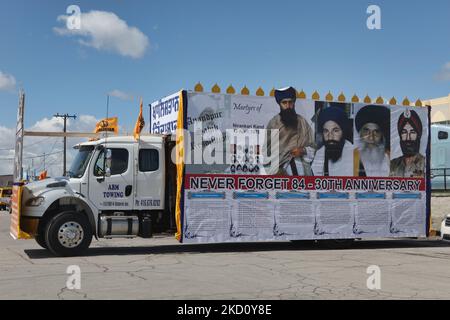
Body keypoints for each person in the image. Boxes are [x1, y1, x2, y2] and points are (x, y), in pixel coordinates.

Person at [264, 87, 315, 175]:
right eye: (284, 103)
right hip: (280, 176)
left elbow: (313, 147)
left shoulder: (302, 122)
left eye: (290, 102)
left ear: (294, 103)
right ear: (279, 104)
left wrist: (303, 150)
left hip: (304, 175)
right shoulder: (273, 124)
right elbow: (266, 154)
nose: (288, 106)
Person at [311, 106, 353, 176]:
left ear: (343, 131)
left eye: (335, 131)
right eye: (326, 131)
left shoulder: (352, 153)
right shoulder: (320, 152)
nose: (330, 137)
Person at [354, 105, 390, 177]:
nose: (371, 137)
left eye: (376, 131)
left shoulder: (390, 157)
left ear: (382, 135)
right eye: (366, 131)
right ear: (360, 134)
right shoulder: (351, 156)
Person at [390, 109, 425, 177]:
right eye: (404, 132)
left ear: (418, 135)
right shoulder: (393, 164)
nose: (408, 138)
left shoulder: (424, 163)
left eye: (412, 132)